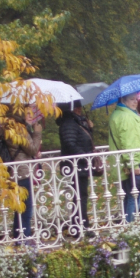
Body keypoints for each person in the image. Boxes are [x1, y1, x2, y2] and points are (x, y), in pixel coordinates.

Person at [108, 93, 140, 222]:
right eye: (131, 100)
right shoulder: (126, 116)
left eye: (136, 99)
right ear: (123, 100)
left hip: (130, 160)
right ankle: (130, 226)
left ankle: (127, 224)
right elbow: (129, 143)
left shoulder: (122, 114)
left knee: (131, 194)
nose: (135, 102)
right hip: (135, 161)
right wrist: (133, 164)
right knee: (134, 196)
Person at [56, 100, 96, 236]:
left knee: (81, 195)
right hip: (75, 165)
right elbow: (70, 143)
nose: (79, 108)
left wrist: (90, 128)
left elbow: (83, 139)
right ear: (70, 108)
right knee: (79, 196)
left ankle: (81, 225)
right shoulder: (69, 123)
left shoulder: (76, 122)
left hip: (80, 164)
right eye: (76, 106)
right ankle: (80, 227)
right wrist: (85, 156)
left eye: (79, 106)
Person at [5, 108, 43, 239]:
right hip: (22, 171)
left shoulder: (8, 127)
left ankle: (18, 235)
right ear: (19, 113)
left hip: (15, 171)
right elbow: (31, 149)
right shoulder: (19, 129)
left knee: (19, 207)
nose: (31, 116)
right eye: (27, 113)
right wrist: (37, 133)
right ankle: (24, 237)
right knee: (25, 208)